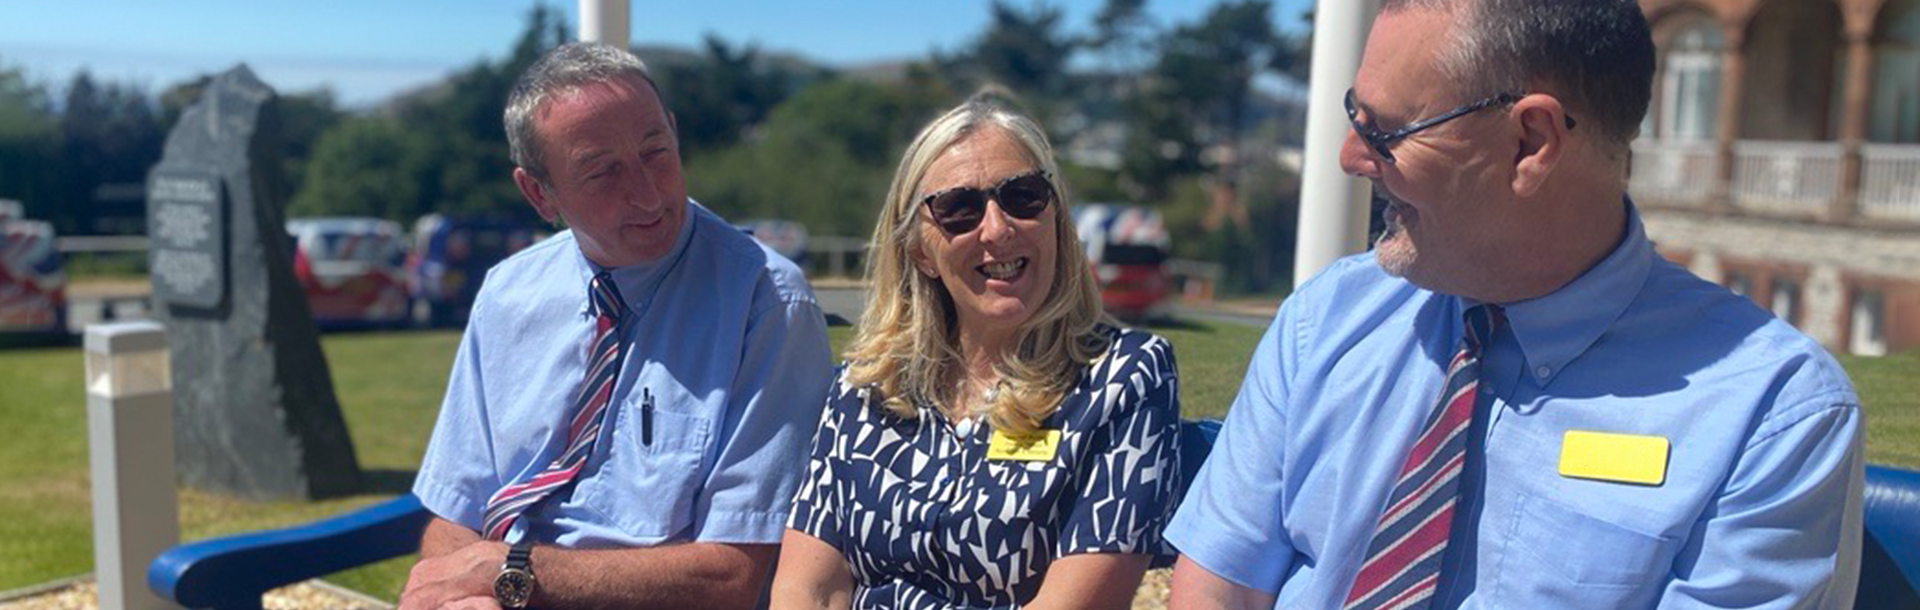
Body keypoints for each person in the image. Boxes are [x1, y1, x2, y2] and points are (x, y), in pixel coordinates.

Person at [1166, 1, 1864, 608]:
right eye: (1355, 116)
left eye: (1384, 131)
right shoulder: (1327, 319)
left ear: (1532, 142)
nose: (1350, 157)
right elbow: (1220, 580)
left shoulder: (1770, 416)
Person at [399, 42, 833, 610]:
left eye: (657, 152)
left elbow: (732, 576)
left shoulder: (766, 303)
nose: (649, 194)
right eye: (602, 171)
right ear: (539, 192)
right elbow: (453, 508)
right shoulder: (508, 295)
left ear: (675, 134)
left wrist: (518, 574)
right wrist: (464, 593)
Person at [769, 96, 1185, 610]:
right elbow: (808, 589)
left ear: (1056, 216)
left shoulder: (1123, 378)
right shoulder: (865, 386)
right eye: (958, 209)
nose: (997, 227)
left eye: (1023, 196)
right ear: (920, 250)